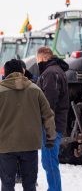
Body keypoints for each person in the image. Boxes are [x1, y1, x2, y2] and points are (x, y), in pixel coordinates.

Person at [0, 59, 56, 191]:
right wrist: (50, 138)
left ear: (5, 73)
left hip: (5, 146)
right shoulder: (35, 90)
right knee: (30, 184)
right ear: (22, 71)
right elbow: (48, 116)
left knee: (7, 185)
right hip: (30, 145)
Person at [36, 47, 69, 191]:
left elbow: (48, 103)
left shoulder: (51, 73)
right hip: (53, 124)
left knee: (49, 161)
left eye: (38, 60)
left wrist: (45, 124)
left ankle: (55, 189)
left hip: (51, 126)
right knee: (48, 161)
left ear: (43, 58)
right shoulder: (54, 71)